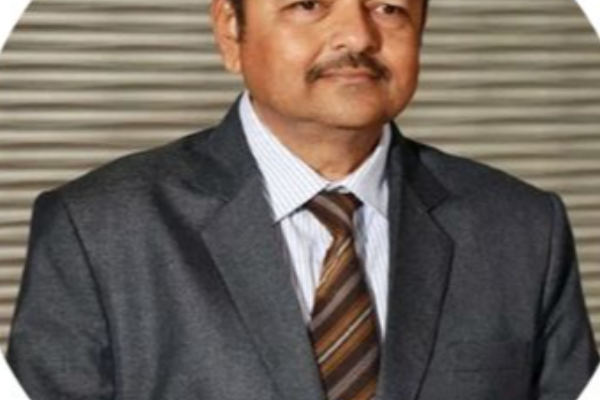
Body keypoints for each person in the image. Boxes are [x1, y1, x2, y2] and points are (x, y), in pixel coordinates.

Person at [7, 0, 599, 399]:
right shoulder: (97, 228)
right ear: (230, 30)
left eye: (388, 7)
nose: (358, 36)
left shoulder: (522, 227)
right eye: (309, 3)